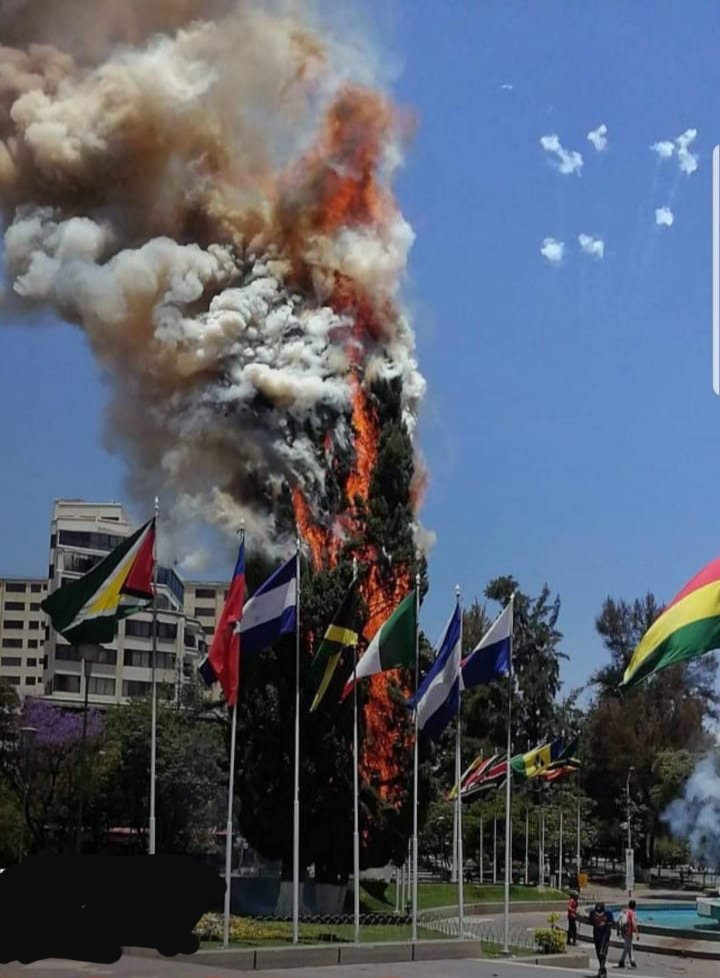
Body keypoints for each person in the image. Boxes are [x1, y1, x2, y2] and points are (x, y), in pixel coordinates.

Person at [588, 901, 615, 978]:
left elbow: (612, 922)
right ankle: (602, 969)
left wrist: (606, 924)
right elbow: (590, 920)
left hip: (605, 936)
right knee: (598, 952)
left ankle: (601, 970)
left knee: (602, 952)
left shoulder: (608, 913)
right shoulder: (592, 912)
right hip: (596, 935)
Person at [617, 899, 639, 968]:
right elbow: (633, 922)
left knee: (628, 946)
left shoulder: (625, 911)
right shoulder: (632, 912)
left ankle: (624, 961)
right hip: (628, 931)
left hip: (623, 931)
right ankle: (631, 962)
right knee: (628, 946)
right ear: (634, 906)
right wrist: (637, 933)